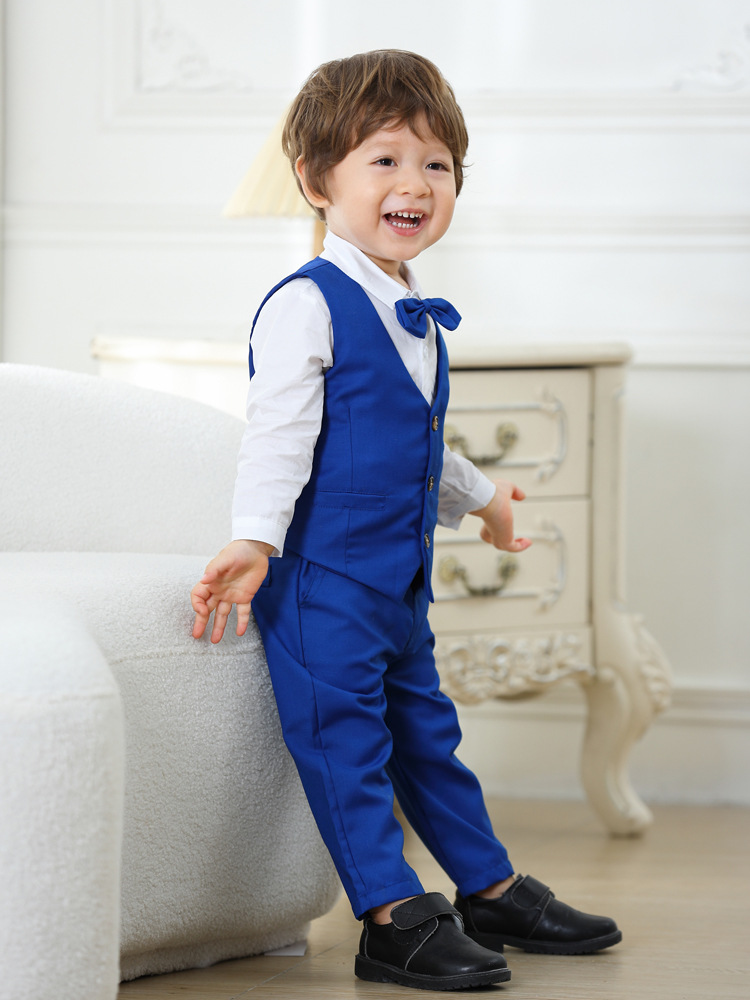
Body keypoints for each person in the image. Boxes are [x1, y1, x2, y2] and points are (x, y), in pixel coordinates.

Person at [191, 49, 621, 992]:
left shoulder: (409, 310)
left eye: (437, 164)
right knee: (348, 747)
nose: (416, 183)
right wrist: (254, 537)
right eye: (384, 159)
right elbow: (278, 436)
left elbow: (415, 442)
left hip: (397, 587)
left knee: (431, 738)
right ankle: (389, 917)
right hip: (324, 585)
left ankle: (489, 886)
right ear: (316, 181)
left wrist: (484, 498)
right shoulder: (308, 304)